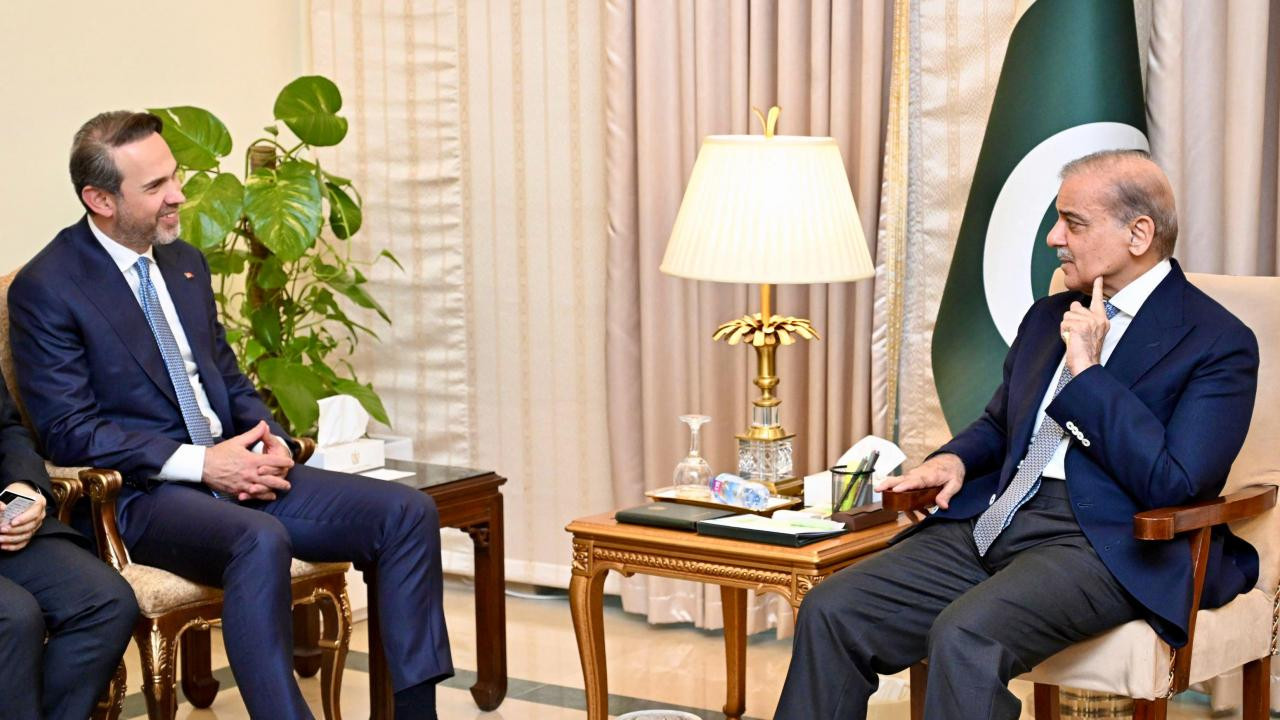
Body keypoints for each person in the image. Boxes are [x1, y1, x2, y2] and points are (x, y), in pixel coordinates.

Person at [774, 150, 1260, 719]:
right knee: (833, 609)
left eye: (1074, 222)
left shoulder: (1217, 341)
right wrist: (954, 460)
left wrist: (1088, 374)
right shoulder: (1048, 315)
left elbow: (1176, 484)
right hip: (997, 517)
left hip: (1106, 542)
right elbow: (1001, 424)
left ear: (1139, 234)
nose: (1054, 237)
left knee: (967, 637)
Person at [8, 111, 451, 720]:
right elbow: (69, 430)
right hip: (144, 495)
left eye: (175, 176)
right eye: (155, 186)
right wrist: (203, 464)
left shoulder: (185, 262)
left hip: (236, 470)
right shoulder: (49, 286)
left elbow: (226, 377)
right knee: (258, 539)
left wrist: (272, 440)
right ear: (100, 200)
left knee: (406, 513)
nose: (178, 194)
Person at [0, 364, 138, 720]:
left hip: (4, 521)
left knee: (106, 602)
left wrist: (23, 486)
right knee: (16, 618)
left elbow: (7, 429)